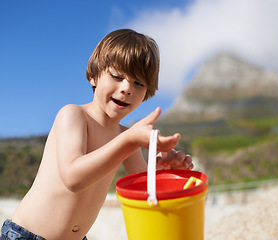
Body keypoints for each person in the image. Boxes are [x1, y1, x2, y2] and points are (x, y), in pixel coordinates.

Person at [0, 29, 193, 240]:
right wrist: (128, 141)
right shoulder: (74, 115)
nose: (127, 88)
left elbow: (144, 190)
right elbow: (73, 177)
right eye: (117, 77)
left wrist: (165, 172)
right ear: (93, 76)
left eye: (138, 83)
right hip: (27, 235)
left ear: (147, 92)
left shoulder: (126, 137)